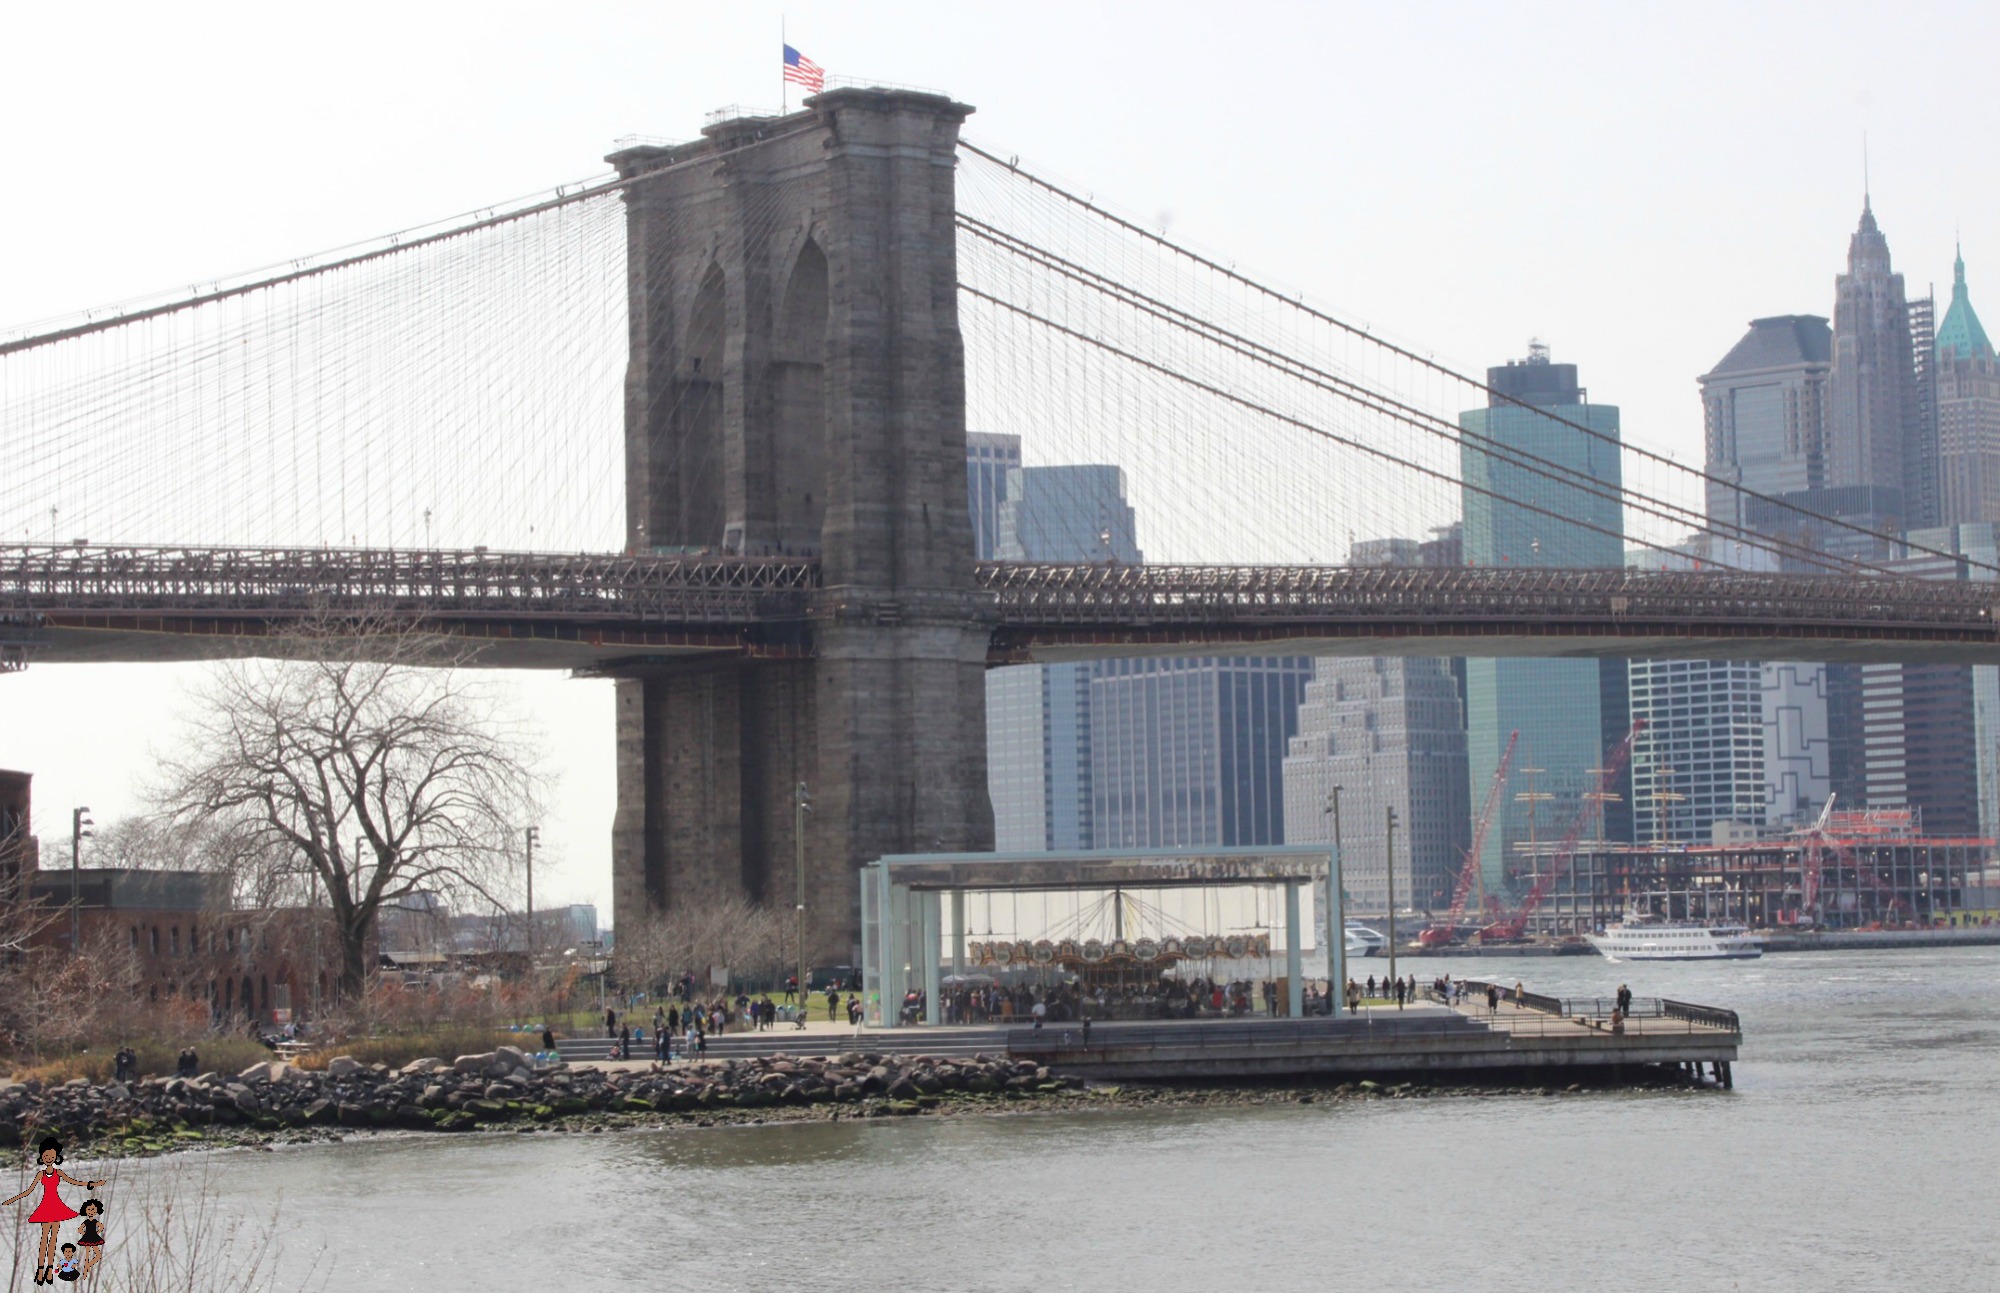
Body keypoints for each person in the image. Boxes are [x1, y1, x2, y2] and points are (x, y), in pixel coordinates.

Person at [3, 1136, 105, 1287]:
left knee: (52, 1241)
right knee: (44, 1239)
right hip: (46, 1206)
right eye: (45, 1156)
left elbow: (74, 1182)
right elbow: (28, 1191)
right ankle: (40, 1270)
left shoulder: (59, 1173)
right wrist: (12, 1199)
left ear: (56, 1157)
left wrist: (92, 1183)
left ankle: (49, 1270)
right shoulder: (40, 1174)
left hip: (56, 1207)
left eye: (51, 1156)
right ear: (41, 1157)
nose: (48, 1158)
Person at [73, 1197, 105, 1281]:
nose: (91, 1211)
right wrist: (86, 1234)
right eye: (89, 1209)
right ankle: (85, 1272)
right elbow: (80, 1229)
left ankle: (88, 1266)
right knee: (87, 1255)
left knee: (97, 1255)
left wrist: (96, 1233)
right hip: (88, 1238)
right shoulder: (86, 1222)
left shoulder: (94, 1221)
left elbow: (101, 1227)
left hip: (92, 1238)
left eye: (93, 1209)